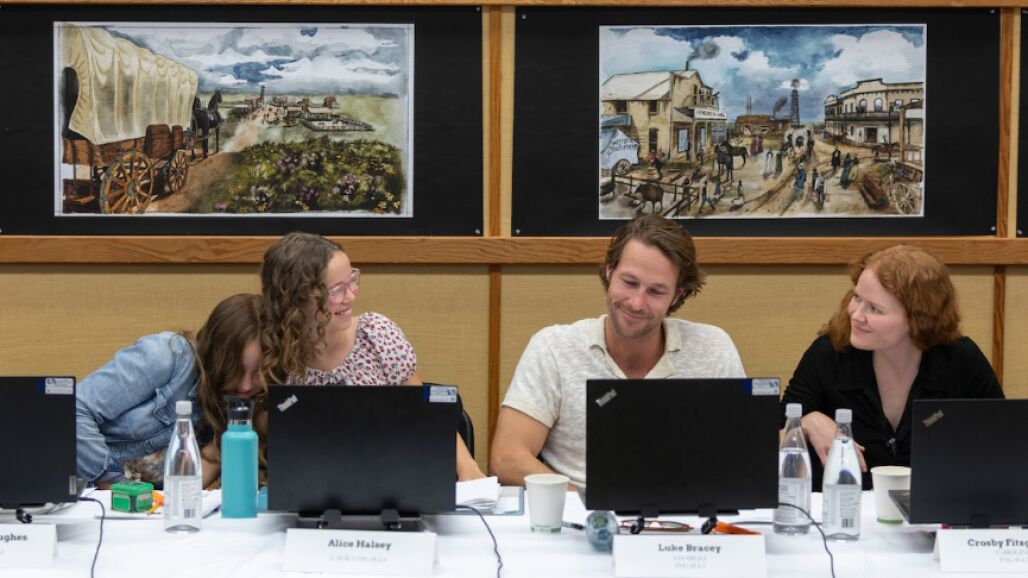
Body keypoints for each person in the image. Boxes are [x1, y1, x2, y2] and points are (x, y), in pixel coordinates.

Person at [490, 215, 745, 488]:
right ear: (609, 272)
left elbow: (744, 454)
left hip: (686, 508)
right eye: (630, 282)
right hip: (578, 507)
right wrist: (585, 502)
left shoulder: (714, 348)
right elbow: (507, 459)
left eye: (656, 291)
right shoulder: (553, 347)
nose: (637, 303)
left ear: (677, 296)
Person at [260, 232, 485, 481]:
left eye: (352, 281)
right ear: (296, 299)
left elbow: (424, 412)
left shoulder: (375, 334)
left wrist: (467, 467)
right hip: (311, 486)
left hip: (389, 480)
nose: (351, 296)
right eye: (336, 290)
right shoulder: (274, 354)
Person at [781, 245, 1003, 489]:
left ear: (918, 319)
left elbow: (1005, 444)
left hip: (933, 506)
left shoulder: (959, 359)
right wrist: (807, 422)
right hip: (844, 505)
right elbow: (767, 441)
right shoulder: (830, 353)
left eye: (874, 309)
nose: (856, 315)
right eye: (857, 298)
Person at [76, 293, 264, 489]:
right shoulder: (168, 355)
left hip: (147, 504)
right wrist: (115, 485)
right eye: (236, 369)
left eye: (258, 372)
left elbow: (188, 486)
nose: (245, 385)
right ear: (216, 356)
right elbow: (75, 409)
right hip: (86, 491)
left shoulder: (249, 409)